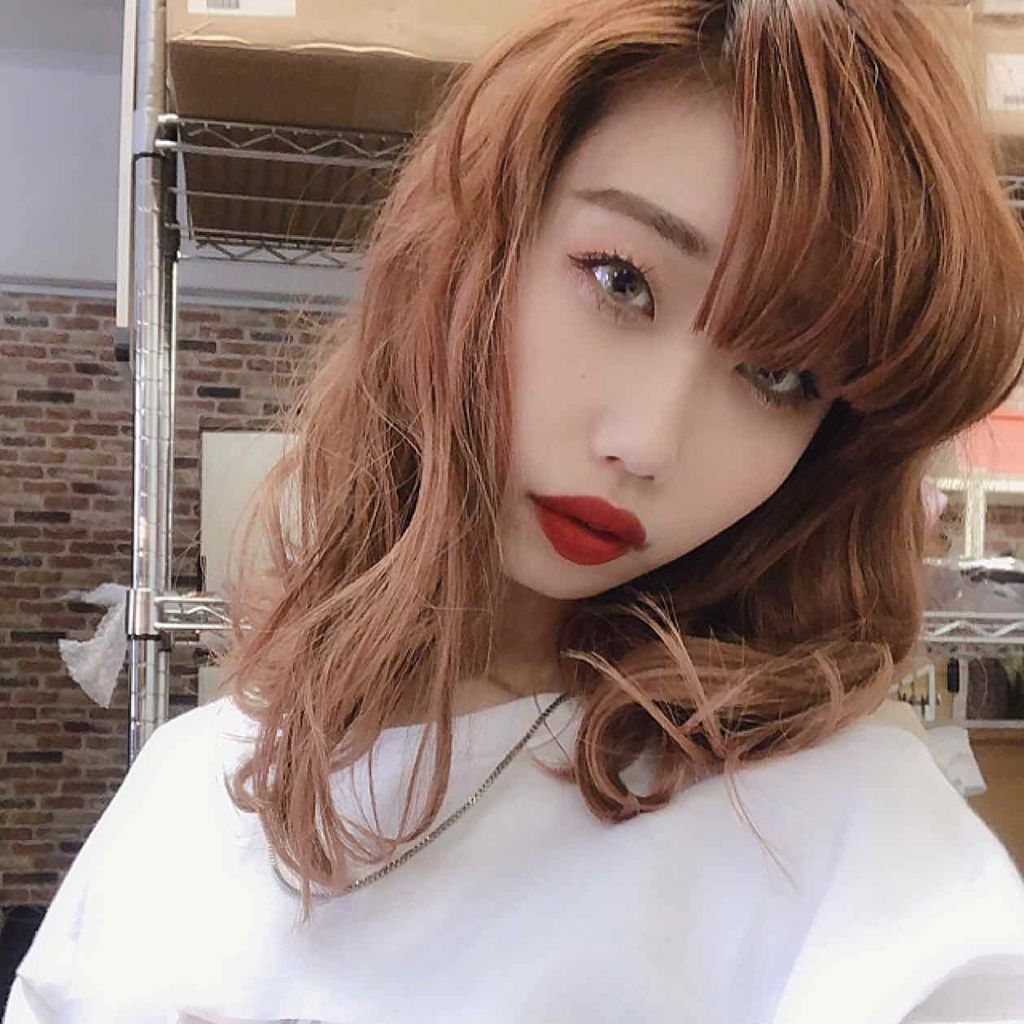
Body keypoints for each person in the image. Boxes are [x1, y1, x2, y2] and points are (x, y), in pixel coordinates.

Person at [7, 0, 1024, 1020]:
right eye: (621, 281)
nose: (647, 443)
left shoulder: (852, 848)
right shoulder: (192, 777)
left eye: (780, 375)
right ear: (472, 247)